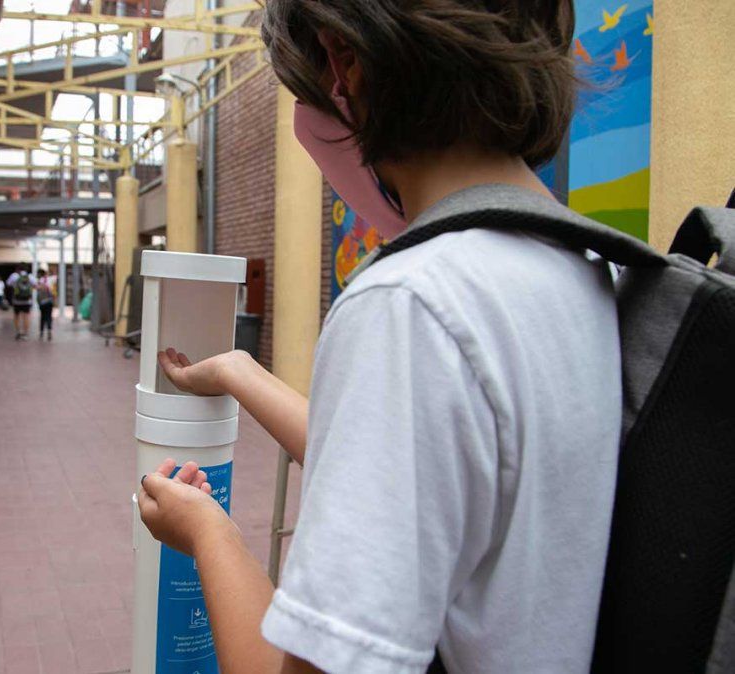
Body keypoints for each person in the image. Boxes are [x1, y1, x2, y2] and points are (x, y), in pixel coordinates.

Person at [137, 2, 621, 673]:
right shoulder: (598, 270)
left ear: (345, 62)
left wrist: (208, 533)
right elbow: (456, 466)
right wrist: (237, 371)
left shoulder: (409, 302)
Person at [10, 269, 34, 340]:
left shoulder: (14, 276)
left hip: (17, 300)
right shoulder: (30, 276)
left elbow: (8, 283)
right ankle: (25, 333)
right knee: (26, 317)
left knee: (16, 316)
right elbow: (35, 285)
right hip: (27, 301)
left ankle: (18, 331)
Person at [36, 269, 54, 341]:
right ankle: (49, 330)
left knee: (43, 317)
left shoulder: (40, 281)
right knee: (49, 317)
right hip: (49, 301)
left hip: (42, 302)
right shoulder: (50, 279)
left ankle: (41, 332)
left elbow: (37, 288)